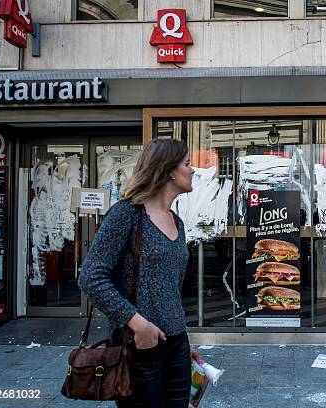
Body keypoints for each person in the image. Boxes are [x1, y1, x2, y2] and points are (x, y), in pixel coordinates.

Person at [78, 138, 198, 408]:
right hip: (137, 347)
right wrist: (138, 324)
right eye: (188, 164)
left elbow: (170, 290)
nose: (193, 170)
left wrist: (183, 337)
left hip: (176, 346)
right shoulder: (126, 214)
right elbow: (91, 277)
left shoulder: (176, 222)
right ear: (168, 170)